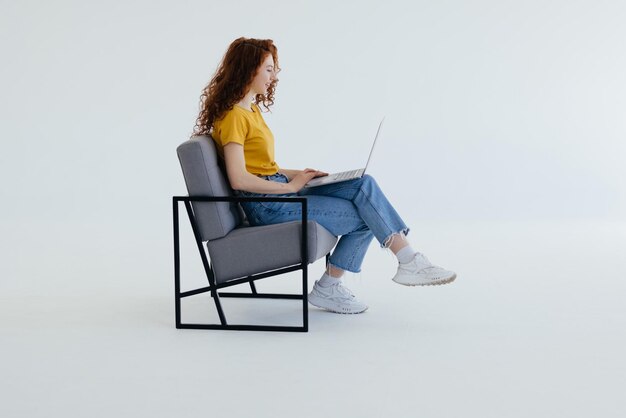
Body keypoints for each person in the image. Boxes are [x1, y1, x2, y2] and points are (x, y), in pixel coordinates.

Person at [192, 37, 456, 314]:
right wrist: (292, 186)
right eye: (269, 69)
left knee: (362, 185)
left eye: (274, 69)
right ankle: (352, 279)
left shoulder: (251, 110)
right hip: (268, 204)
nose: (274, 76)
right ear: (248, 70)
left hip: (278, 190)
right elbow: (239, 179)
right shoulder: (235, 117)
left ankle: (406, 260)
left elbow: (264, 166)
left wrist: (301, 175)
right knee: (369, 214)